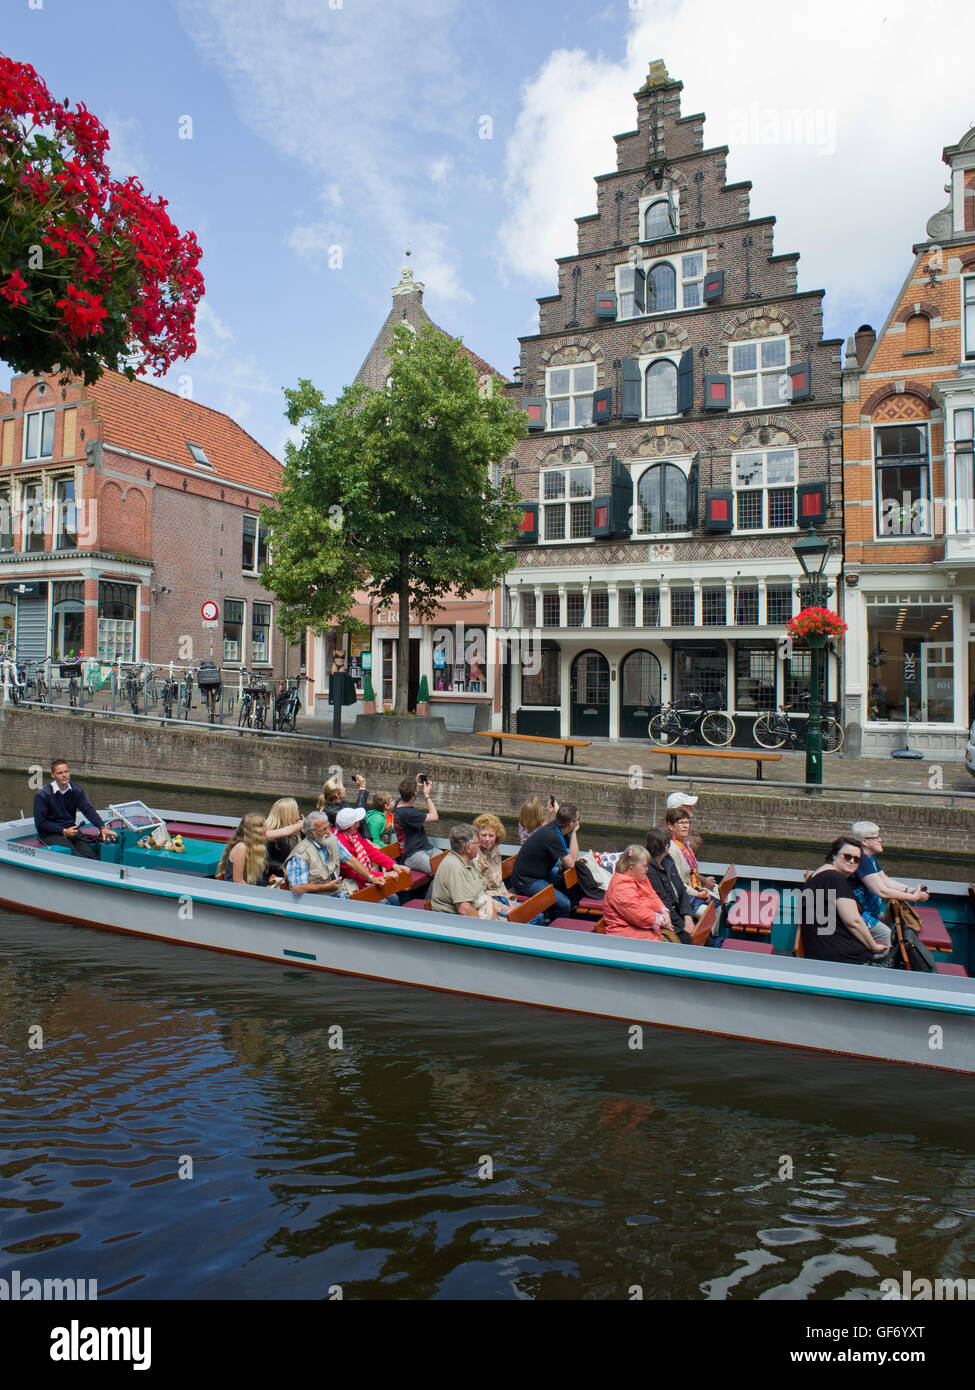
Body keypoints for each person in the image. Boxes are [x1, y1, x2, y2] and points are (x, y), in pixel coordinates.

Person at [798, 836, 890, 965]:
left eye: (857, 859)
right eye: (847, 856)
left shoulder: (818, 874)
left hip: (819, 948)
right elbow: (853, 921)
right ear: (835, 855)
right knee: (890, 961)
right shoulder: (834, 878)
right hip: (838, 953)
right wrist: (874, 947)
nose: (852, 861)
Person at [849, 820, 929, 948]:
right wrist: (914, 897)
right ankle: (883, 965)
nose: (880, 840)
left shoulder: (870, 857)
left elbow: (884, 880)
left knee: (895, 927)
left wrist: (909, 890)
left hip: (870, 911)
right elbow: (882, 892)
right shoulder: (862, 860)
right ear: (864, 841)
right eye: (876, 837)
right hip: (859, 914)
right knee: (886, 934)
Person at [33, 758, 118, 859]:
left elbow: (88, 810)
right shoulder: (43, 795)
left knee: (91, 857)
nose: (64, 775)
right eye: (60, 773)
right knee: (77, 858)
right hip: (51, 834)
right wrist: (63, 831)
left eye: (66, 771)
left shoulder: (76, 790)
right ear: (53, 775)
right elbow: (40, 823)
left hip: (71, 830)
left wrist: (102, 827)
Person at [509, 802, 579, 919]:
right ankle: (557, 930)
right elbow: (572, 863)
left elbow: (570, 860)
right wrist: (575, 833)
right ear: (571, 824)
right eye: (578, 819)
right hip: (526, 880)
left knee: (565, 884)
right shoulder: (553, 835)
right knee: (564, 904)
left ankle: (550, 916)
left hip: (539, 873)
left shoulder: (556, 828)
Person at [285, 811, 373, 897]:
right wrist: (326, 887)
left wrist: (371, 877)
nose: (328, 832)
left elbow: (350, 860)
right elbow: (297, 888)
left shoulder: (331, 839)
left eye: (329, 827)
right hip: (317, 899)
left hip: (336, 892)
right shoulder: (301, 855)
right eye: (323, 829)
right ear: (310, 833)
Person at [602, 845, 673, 939]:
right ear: (631, 866)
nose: (647, 869)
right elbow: (637, 914)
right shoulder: (621, 888)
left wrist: (664, 911)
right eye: (644, 866)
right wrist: (661, 920)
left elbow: (652, 896)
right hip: (625, 934)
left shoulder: (640, 877)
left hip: (642, 928)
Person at [430, 824, 497, 918]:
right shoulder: (455, 867)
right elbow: (464, 909)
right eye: (477, 843)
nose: (479, 846)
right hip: (455, 919)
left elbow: (483, 894)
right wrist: (487, 927)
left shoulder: (469, 861)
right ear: (468, 847)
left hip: (481, 910)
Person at [645, 827, 695, 942]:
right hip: (667, 919)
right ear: (667, 848)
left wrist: (687, 916)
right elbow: (663, 901)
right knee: (690, 940)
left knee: (706, 938)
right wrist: (683, 926)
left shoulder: (668, 860)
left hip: (678, 912)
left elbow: (681, 889)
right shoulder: (649, 870)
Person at [665, 807, 716, 915]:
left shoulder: (685, 844)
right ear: (670, 826)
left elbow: (692, 872)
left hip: (694, 889)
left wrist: (702, 886)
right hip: (684, 896)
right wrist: (698, 894)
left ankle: (713, 932)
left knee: (722, 902)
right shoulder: (672, 849)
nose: (685, 826)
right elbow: (678, 882)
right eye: (680, 823)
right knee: (709, 913)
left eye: (687, 823)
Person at [334, 807, 399, 890]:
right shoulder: (340, 842)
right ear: (351, 826)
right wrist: (382, 875)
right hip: (355, 885)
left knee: (393, 896)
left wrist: (392, 864)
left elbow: (370, 850)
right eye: (357, 822)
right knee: (389, 900)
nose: (359, 824)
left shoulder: (353, 833)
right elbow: (353, 872)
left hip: (366, 878)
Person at [217, 813, 281, 887]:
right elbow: (238, 880)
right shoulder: (241, 847)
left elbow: (283, 832)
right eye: (264, 826)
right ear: (256, 830)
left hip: (249, 886)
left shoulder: (254, 843)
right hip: (236, 890)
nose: (267, 829)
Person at [393, 774, 438, 874]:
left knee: (447, 864)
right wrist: (427, 795)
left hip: (426, 847)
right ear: (415, 794)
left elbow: (405, 792)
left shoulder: (397, 804)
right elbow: (434, 816)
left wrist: (414, 782)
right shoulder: (409, 813)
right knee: (437, 870)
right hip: (413, 854)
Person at [472, 813, 514, 916]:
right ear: (477, 836)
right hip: (487, 903)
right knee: (527, 919)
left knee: (537, 916)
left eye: (491, 836)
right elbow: (478, 894)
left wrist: (509, 902)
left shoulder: (495, 851)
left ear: (496, 836)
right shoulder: (474, 856)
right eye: (483, 835)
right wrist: (504, 907)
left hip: (501, 898)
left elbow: (499, 883)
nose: (487, 839)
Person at [264, 798, 304, 876]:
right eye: (296, 810)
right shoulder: (272, 835)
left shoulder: (298, 832)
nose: (298, 813)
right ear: (289, 813)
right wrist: (285, 868)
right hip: (277, 876)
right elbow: (266, 861)